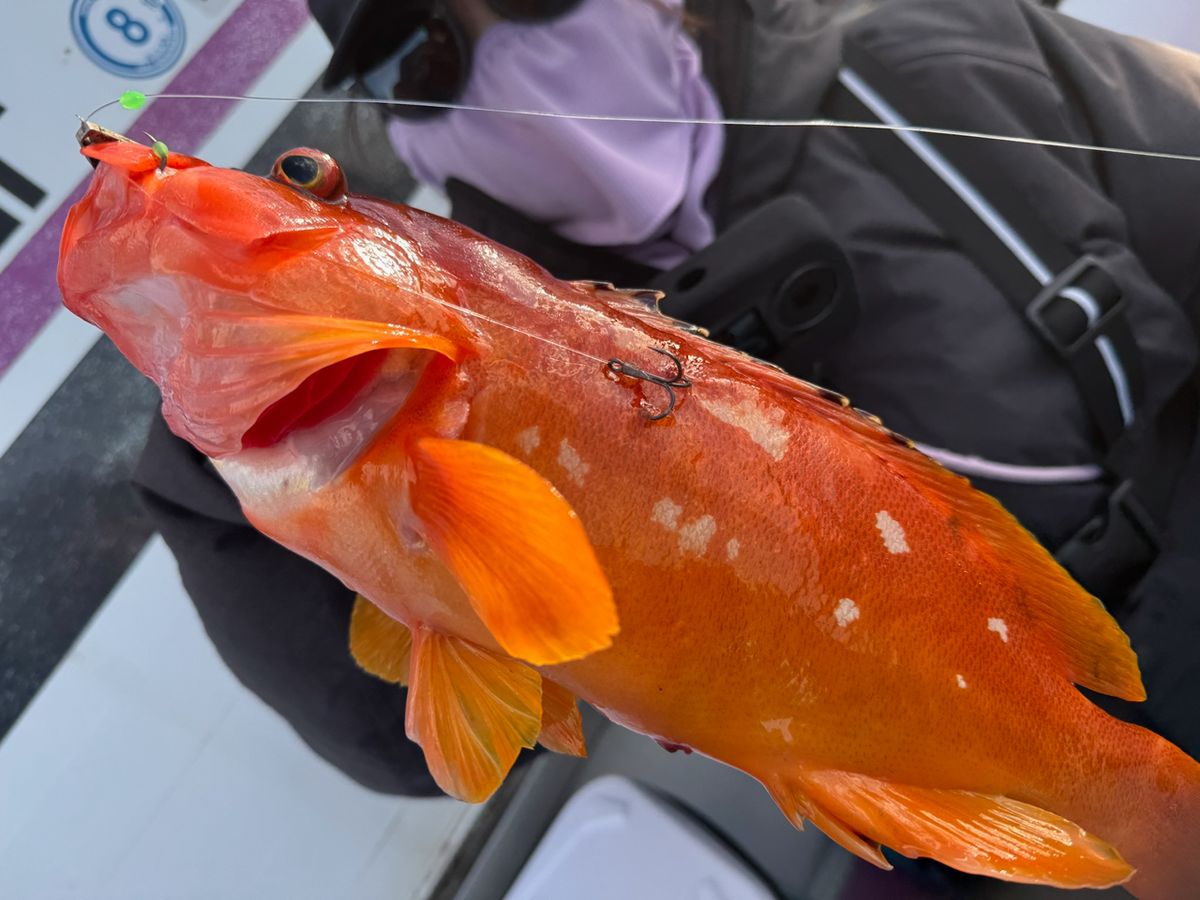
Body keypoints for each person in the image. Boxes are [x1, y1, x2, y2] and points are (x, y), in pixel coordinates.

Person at [134, 0, 1200, 798]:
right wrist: (236, 418)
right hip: (961, 805)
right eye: (422, 55)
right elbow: (403, 736)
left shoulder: (933, 51)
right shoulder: (424, 355)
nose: (505, 55)